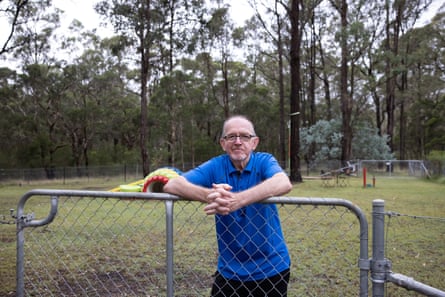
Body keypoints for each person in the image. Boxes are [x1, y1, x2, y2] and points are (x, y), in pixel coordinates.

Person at [163, 115, 293, 297]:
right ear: (223, 143)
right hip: (229, 270)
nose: (238, 142)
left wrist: (237, 200)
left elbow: (283, 183)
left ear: (254, 142)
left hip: (271, 267)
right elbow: (173, 185)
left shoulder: (264, 161)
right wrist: (210, 195)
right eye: (231, 137)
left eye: (244, 137)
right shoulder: (216, 166)